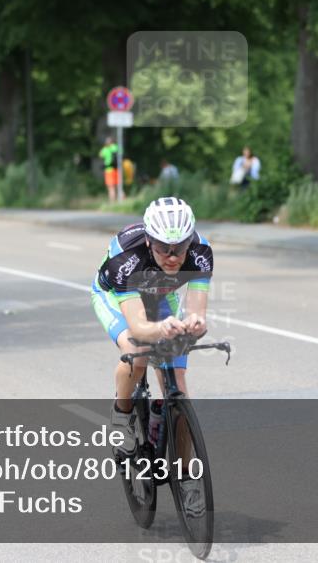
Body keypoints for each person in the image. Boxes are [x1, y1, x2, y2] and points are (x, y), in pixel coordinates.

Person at [91, 197, 212, 515]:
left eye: (179, 249)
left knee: (179, 388)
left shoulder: (200, 253)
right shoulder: (126, 258)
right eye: (163, 249)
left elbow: (197, 312)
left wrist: (195, 324)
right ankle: (122, 415)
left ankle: (186, 477)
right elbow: (141, 328)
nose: (172, 258)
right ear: (149, 240)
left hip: (160, 295)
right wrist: (160, 329)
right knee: (137, 350)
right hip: (117, 297)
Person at [99, 136, 119, 202]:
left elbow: (100, 155)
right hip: (117, 169)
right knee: (118, 186)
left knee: (111, 187)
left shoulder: (105, 149)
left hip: (109, 170)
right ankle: (120, 201)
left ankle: (112, 202)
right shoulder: (116, 147)